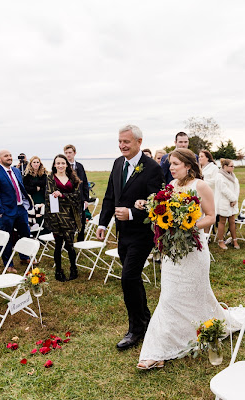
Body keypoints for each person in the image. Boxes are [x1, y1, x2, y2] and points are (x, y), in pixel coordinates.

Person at [135, 149, 228, 369]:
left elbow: (211, 217)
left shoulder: (200, 186)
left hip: (194, 250)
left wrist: (186, 226)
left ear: (188, 165)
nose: (171, 168)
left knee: (196, 293)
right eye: (169, 164)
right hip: (172, 251)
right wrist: (148, 207)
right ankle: (159, 350)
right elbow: (162, 213)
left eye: (175, 164)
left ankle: (189, 335)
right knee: (168, 297)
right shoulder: (171, 187)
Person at [97, 125, 164, 350]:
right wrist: (103, 223)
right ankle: (145, 319)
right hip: (122, 234)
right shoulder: (118, 163)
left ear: (138, 142)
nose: (122, 145)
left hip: (142, 234)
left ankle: (135, 330)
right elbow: (110, 196)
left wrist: (133, 213)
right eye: (120, 141)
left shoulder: (152, 168)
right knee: (132, 279)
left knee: (128, 278)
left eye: (126, 142)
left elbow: (159, 204)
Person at [0, 149, 33, 273]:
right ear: (0, 159)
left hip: (20, 209)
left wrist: (25, 204)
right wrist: (1, 211)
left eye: (10, 155)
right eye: (6, 156)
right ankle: (8, 264)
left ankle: (24, 257)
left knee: (25, 234)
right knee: (7, 238)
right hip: (6, 212)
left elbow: (20, 187)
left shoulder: (16, 170)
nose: (9, 157)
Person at [45, 154, 82, 281]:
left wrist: (63, 195)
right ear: (54, 165)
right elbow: (49, 196)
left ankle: (74, 268)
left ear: (67, 164)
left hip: (70, 215)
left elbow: (77, 196)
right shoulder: (51, 178)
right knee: (58, 244)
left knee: (70, 243)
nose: (60, 165)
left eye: (62, 163)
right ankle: (58, 271)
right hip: (56, 215)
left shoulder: (73, 178)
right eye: (58, 163)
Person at [64, 144, 90, 242]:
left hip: (80, 199)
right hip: (68, 199)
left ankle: (80, 242)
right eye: (66, 153)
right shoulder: (63, 167)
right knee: (69, 222)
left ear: (74, 153)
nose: (68, 155)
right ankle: (69, 243)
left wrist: (86, 199)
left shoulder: (80, 166)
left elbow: (85, 183)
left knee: (82, 222)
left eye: (70, 153)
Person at [214, 158, 240, 250]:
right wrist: (232, 198)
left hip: (232, 202)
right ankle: (220, 241)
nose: (233, 168)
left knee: (232, 221)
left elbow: (236, 188)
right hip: (223, 202)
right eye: (231, 166)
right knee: (222, 221)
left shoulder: (232, 175)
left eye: (233, 166)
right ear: (225, 166)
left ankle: (234, 240)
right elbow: (224, 189)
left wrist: (234, 200)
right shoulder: (219, 176)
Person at [23, 156, 47, 230]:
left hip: (41, 196)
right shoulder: (27, 175)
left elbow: (44, 183)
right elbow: (25, 188)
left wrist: (33, 183)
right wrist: (36, 188)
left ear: (40, 163)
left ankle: (42, 233)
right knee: (33, 215)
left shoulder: (43, 174)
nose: (36, 164)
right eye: (34, 162)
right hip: (31, 197)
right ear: (31, 164)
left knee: (41, 213)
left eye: (37, 162)